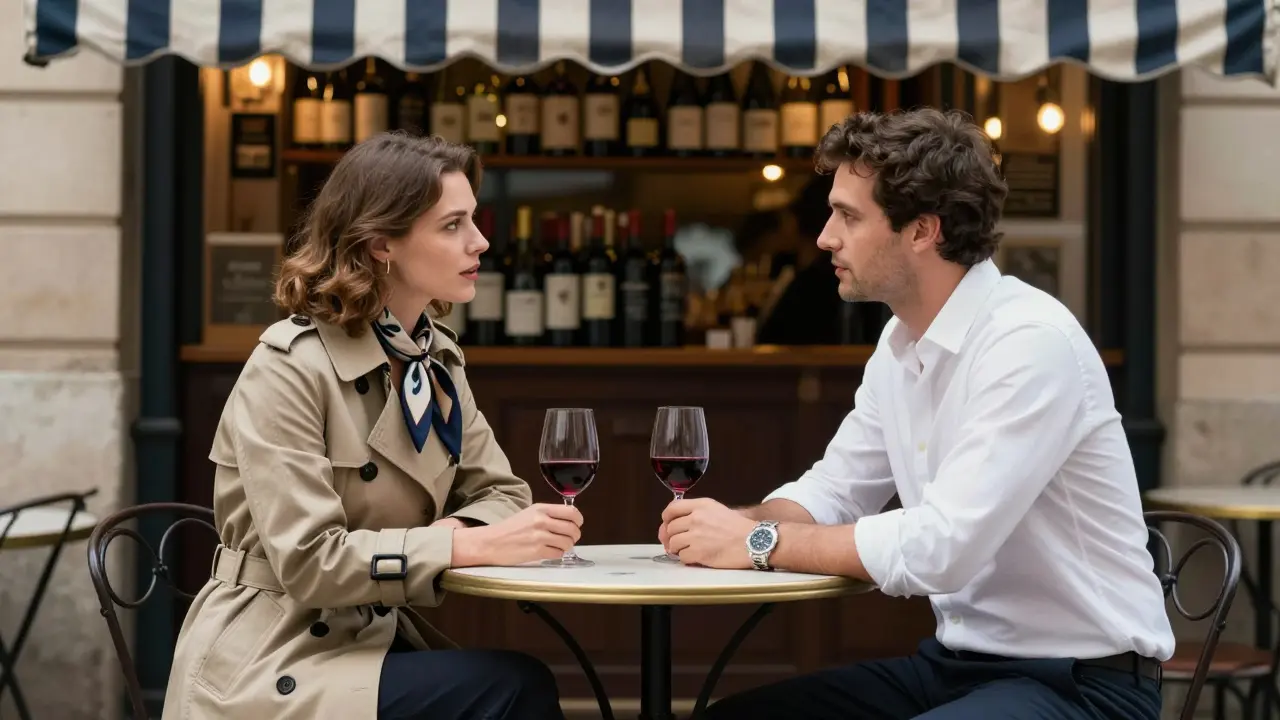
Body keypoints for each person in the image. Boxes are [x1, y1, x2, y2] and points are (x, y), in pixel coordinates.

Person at [659, 108, 1173, 720]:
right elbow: (835, 490)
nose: (825, 237)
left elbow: (940, 549)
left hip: (1084, 684)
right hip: (957, 667)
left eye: (848, 216)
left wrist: (758, 542)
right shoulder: (901, 340)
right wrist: (730, 525)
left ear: (923, 231)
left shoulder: (1028, 342)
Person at [163, 133, 579, 720]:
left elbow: (503, 494)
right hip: (269, 657)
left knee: (516, 682)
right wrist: (462, 544)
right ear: (382, 242)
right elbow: (310, 562)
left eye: (473, 219)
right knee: (512, 688)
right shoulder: (288, 368)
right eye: (453, 225)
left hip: (370, 639)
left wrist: (459, 531)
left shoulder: (434, 362)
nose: (480, 241)